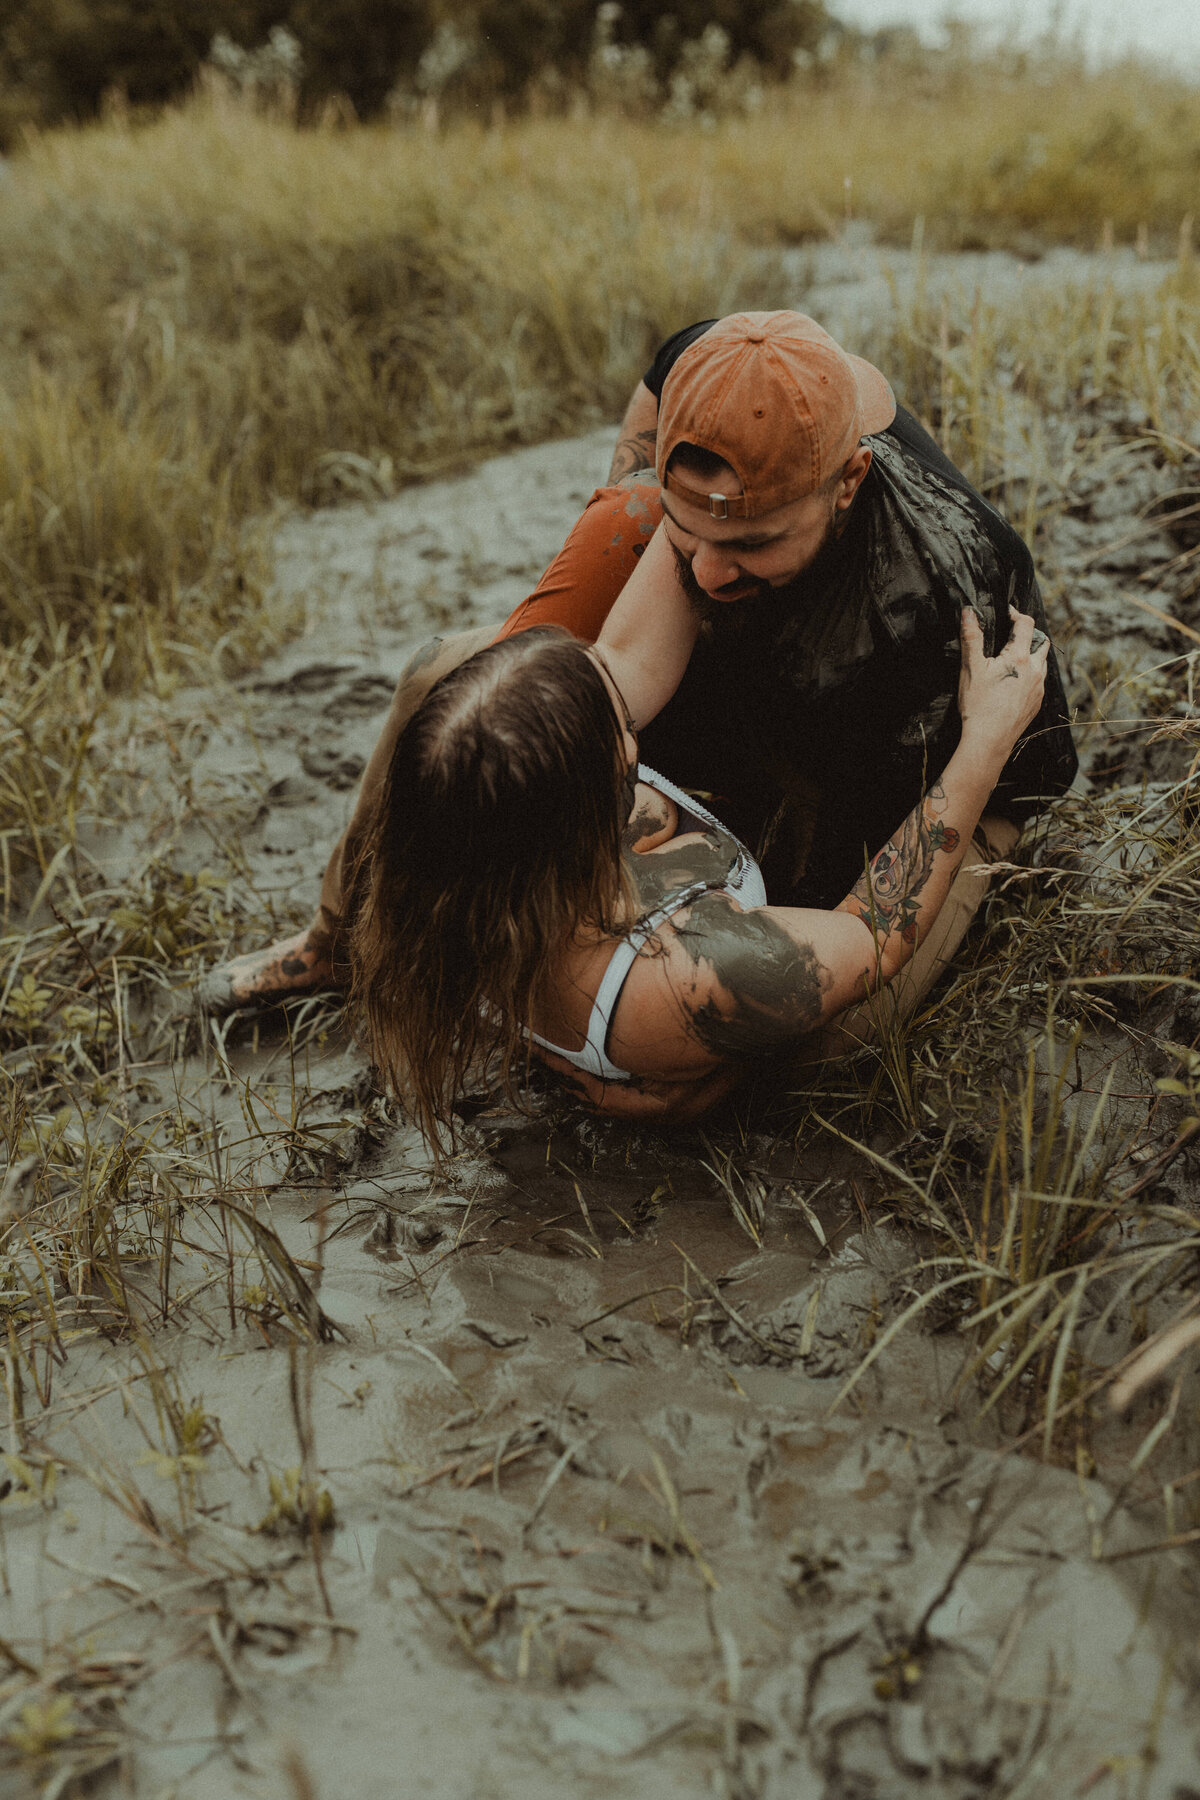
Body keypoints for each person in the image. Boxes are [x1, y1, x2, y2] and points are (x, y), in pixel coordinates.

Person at [199, 311, 1076, 1014]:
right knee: (452, 679)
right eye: (688, 533)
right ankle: (334, 942)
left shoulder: (929, 599)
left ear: (846, 484)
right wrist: (629, 501)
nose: (706, 570)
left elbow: (861, 916)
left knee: (826, 1031)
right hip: (766, 683)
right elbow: (660, 392)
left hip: (950, 769)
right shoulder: (719, 372)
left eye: (754, 541)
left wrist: (695, 1030)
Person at [350, 608, 1049, 1135]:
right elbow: (874, 934)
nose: (630, 729)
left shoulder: (453, 852)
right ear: (585, 812)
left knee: (448, 659)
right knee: (993, 818)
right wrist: (987, 738)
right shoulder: (694, 974)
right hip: (784, 1017)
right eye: (616, 731)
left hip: (677, 956)